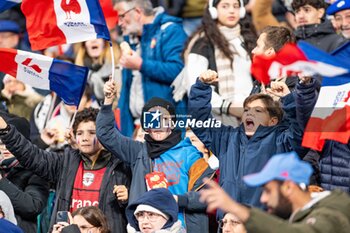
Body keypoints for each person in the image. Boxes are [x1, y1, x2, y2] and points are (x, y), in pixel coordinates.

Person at [188, 69, 315, 219]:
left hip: (264, 223)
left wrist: (288, 98)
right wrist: (201, 87)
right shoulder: (227, 138)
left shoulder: (282, 141)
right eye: (246, 110)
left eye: (258, 111)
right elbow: (200, 122)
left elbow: (301, 128)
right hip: (228, 222)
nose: (249, 113)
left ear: (272, 121)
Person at [97, 80, 215, 232]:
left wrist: (177, 200)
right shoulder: (139, 151)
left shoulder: (189, 154)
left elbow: (208, 196)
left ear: (172, 124)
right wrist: (107, 101)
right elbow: (105, 134)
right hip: (145, 228)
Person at [0, 108, 131, 233]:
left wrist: (127, 198)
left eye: (92, 133)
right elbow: (30, 154)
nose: (85, 138)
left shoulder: (122, 167)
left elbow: (138, 209)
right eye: (80, 133)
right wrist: (6, 130)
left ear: (104, 134)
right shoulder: (64, 164)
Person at [200, 151, 350, 233]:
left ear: (288, 187)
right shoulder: (298, 214)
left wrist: (236, 209)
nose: (263, 199)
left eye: (268, 191)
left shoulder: (331, 214)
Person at [172, 0, 257, 126]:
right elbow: (195, 87)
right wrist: (228, 107)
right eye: (225, 6)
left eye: (236, 6)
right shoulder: (201, 44)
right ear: (213, 10)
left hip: (253, 113)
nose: (232, 10)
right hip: (219, 119)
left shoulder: (251, 40)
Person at [113, 0, 187, 137]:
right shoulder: (131, 39)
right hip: (136, 129)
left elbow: (178, 71)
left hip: (165, 130)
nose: (119, 23)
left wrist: (141, 65)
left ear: (137, 12)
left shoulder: (170, 30)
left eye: (122, 16)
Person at [0, 111, 49, 233]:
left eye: (9, 143)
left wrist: (1, 181)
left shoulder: (36, 170)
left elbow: (32, 206)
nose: (5, 148)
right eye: (1, 143)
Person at [250, 26, 297, 95]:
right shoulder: (259, 83)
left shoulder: (295, 84)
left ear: (270, 52)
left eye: (258, 46)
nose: (253, 51)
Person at [75, 39, 121, 105]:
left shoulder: (117, 67)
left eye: (98, 37)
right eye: (88, 38)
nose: (93, 41)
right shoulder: (79, 72)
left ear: (105, 42)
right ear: (84, 45)